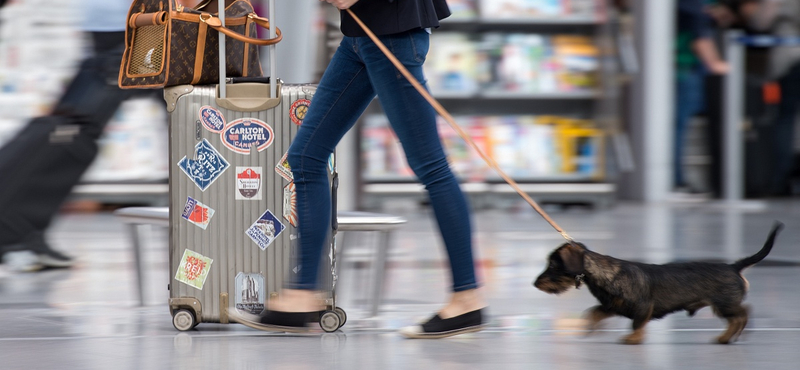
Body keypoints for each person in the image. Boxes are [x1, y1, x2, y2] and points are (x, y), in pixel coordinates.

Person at [233, 0, 486, 338]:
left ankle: (467, 296)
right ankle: (303, 294)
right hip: (361, 35)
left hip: (392, 34)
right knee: (306, 156)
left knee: (431, 166)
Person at [0, 0, 157, 271]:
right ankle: (18, 232)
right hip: (142, 24)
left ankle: (22, 231)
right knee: (73, 130)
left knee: (73, 129)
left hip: (118, 23)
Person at [736, 0, 800, 195]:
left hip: (789, 60)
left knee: (784, 120)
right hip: (789, 61)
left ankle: (781, 179)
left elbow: (760, 22)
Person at [673, 0, 730, 195]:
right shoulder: (691, 3)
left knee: (681, 124)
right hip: (686, 67)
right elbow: (700, 37)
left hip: (688, 67)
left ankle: (678, 179)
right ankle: (676, 180)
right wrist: (717, 64)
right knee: (679, 125)